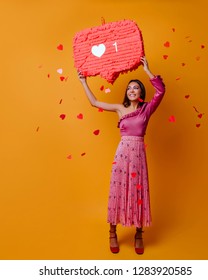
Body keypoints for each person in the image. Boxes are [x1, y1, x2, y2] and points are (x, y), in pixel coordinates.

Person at [78, 56, 165, 255]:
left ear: (141, 92)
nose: (132, 90)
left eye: (136, 88)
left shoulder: (146, 110)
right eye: (129, 88)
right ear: (127, 92)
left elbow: (161, 92)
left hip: (138, 155)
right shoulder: (120, 108)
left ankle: (139, 233)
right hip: (123, 153)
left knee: (138, 190)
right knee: (118, 190)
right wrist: (83, 81)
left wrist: (148, 70)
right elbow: (94, 102)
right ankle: (112, 232)